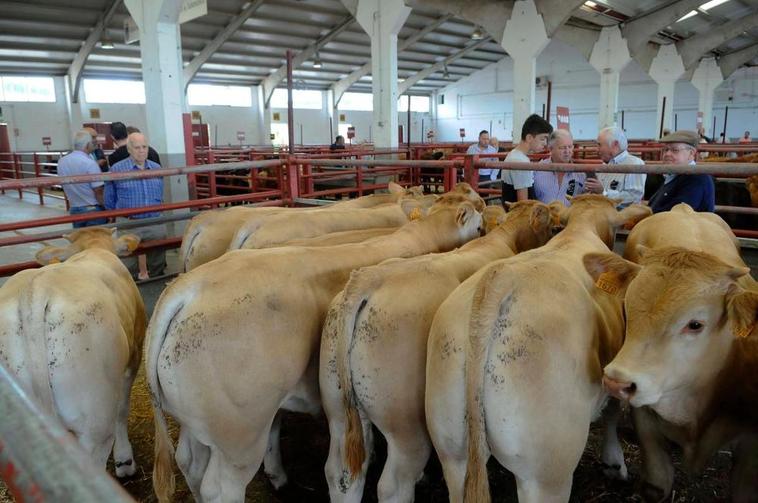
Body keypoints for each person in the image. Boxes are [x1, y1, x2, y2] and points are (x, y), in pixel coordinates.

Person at [105, 132, 166, 279]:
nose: (141, 151)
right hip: (129, 222)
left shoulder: (156, 168)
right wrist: (115, 214)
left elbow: (160, 191)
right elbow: (109, 197)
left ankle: (156, 281)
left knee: (157, 257)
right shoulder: (117, 169)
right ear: (129, 149)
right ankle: (132, 286)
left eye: (144, 147)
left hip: (154, 220)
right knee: (128, 261)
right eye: (137, 147)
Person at [648, 130, 715, 213]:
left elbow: (679, 213)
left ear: (691, 154)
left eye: (675, 150)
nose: (667, 154)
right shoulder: (675, 174)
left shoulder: (696, 177)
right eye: (665, 150)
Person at [585, 126, 645, 207]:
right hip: (602, 211)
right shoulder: (605, 165)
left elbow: (634, 197)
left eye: (600, 145)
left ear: (615, 145)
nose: (597, 149)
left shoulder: (635, 164)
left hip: (621, 216)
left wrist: (603, 192)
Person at [57, 130, 107, 228]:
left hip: (74, 208)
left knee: (81, 241)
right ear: (88, 145)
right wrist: (106, 208)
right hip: (93, 209)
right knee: (96, 241)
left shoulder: (62, 161)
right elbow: (98, 190)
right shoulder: (90, 163)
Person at [503, 114, 553, 201]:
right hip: (520, 213)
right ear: (529, 138)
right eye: (542, 138)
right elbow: (523, 203)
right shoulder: (520, 161)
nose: (545, 143)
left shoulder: (515, 155)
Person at [533, 129, 585, 206]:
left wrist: (600, 190)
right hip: (543, 216)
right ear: (551, 149)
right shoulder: (537, 171)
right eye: (562, 148)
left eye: (570, 147)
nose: (567, 151)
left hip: (568, 217)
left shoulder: (581, 175)